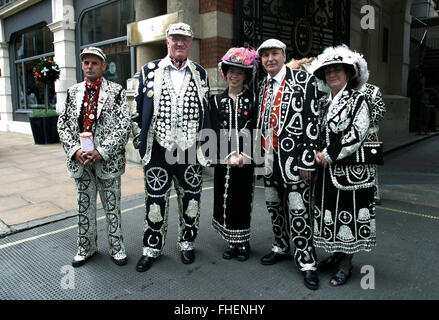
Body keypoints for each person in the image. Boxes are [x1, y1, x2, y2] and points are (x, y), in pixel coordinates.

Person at [132, 23, 211, 272]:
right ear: (167, 41)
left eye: (184, 39)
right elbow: (136, 110)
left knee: (192, 200)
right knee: (155, 200)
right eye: (175, 38)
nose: (179, 43)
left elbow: (205, 111)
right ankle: (152, 247)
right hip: (159, 147)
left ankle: (187, 243)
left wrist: (206, 146)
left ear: (190, 43)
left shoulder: (200, 73)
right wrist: (139, 141)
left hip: (189, 149)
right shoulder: (149, 70)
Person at [57, 47, 132, 267]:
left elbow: (124, 125)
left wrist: (101, 152)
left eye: (94, 63)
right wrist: (75, 150)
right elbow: (62, 125)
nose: (89, 66)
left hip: (107, 162)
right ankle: (85, 248)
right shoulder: (72, 92)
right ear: (82, 65)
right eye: (86, 63)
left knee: (112, 207)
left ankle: (117, 248)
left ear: (103, 67)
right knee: (84, 207)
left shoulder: (117, 91)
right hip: (81, 161)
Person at [255, 39, 320, 290]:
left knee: (298, 210)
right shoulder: (262, 85)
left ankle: (307, 261)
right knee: (273, 205)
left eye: (274, 54)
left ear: (284, 55)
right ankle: (281, 246)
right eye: (265, 56)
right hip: (269, 160)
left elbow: (312, 123)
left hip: (295, 162)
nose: (270, 59)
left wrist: (307, 160)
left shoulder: (304, 81)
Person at [309, 44, 376, 286]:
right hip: (326, 172)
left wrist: (327, 154)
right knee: (331, 215)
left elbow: (356, 134)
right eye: (328, 72)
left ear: (348, 74)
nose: (332, 75)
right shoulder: (322, 102)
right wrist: (314, 154)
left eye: (338, 70)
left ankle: (346, 264)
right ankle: (336, 254)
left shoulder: (359, 100)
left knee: (347, 216)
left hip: (349, 172)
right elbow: (314, 132)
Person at [210, 47, 258, 261]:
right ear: (225, 72)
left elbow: (258, 130)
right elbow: (212, 132)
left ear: (246, 75)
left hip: (246, 162)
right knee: (225, 199)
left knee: (242, 199)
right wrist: (227, 155)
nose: (234, 75)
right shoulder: (215, 101)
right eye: (231, 71)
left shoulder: (254, 100)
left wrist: (245, 156)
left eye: (239, 72)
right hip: (224, 161)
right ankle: (231, 240)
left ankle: (243, 241)